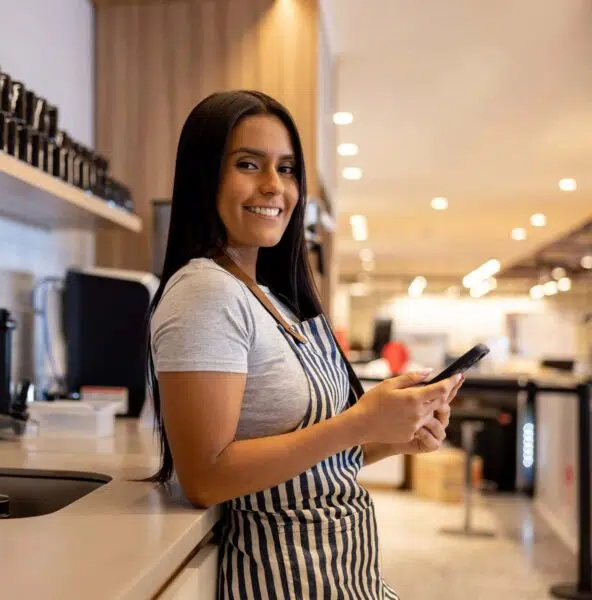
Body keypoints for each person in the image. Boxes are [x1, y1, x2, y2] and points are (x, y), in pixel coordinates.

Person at [145, 90, 464, 600]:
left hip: (344, 573)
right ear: (205, 176)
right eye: (248, 164)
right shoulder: (204, 292)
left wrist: (391, 437)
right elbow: (206, 475)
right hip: (286, 579)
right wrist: (361, 421)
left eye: (288, 169)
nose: (274, 186)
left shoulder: (271, 297)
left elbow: (311, 460)